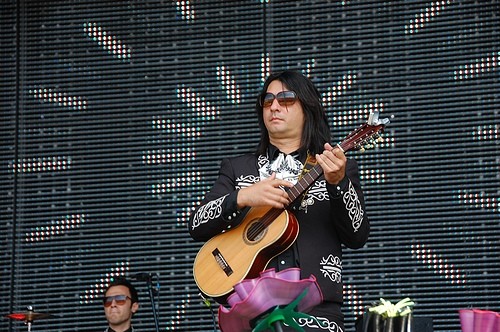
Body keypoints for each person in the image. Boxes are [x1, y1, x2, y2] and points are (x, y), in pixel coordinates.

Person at [189, 69, 369, 331]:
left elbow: (357, 235)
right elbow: (197, 223)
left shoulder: (337, 167)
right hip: (249, 312)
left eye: (286, 99)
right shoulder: (238, 168)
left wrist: (338, 182)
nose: (274, 106)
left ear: (308, 108)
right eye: (267, 100)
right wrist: (242, 196)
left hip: (317, 313)